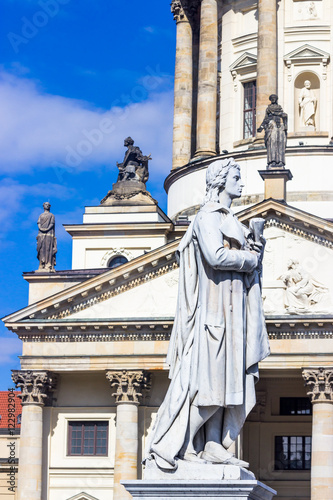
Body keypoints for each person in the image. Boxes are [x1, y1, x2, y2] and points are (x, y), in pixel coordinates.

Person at [145, 158, 270, 470]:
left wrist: (256, 244)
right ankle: (172, 442)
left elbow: (245, 264)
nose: (242, 183)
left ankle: (213, 444)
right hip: (214, 314)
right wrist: (249, 258)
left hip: (234, 313)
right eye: (237, 177)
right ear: (220, 180)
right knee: (210, 385)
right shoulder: (206, 217)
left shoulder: (231, 219)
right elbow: (215, 255)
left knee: (229, 384)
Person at [257, 94, 288, 168]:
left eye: (275, 98)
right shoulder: (268, 109)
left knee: (280, 144)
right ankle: (272, 161)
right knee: (272, 144)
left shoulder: (279, 108)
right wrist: (261, 127)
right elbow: (265, 119)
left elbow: (284, 116)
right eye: (272, 98)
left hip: (279, 128)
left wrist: (285, 124)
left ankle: (280, 161)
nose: (273, 99)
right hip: (271, 127)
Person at [36, 202, 57, 272]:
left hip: (49, 234)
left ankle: (48, 264)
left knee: (48, 249)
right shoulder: (41, 215)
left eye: (48, 205)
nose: (47, 206)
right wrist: (41, 229)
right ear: (43, 206)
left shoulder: (51, 215)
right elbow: (38, 223)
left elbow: (52, 223)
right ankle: (41, 264)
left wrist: (46, 229)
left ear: (49, 206)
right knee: (41, 249)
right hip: (41, 234)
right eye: (45, 205)